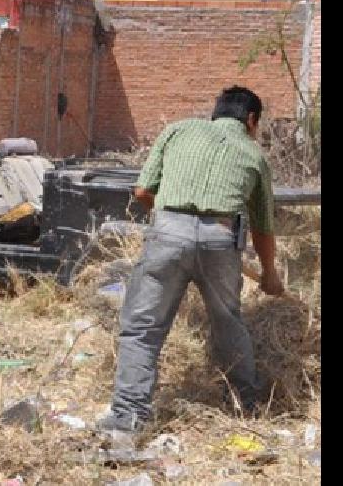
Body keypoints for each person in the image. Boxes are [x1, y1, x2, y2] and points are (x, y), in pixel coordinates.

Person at [97, 86, 285, 435]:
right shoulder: (254, 155)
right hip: (220, 241)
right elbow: (263, 228)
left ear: (216, 112)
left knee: (142, 328)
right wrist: (270, 274)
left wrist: (174, 224)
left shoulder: (178, 130)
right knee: (228, 322)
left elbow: (142, 191)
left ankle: (127, 419)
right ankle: (247, 406)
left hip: (167, 234)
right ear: (252, 120)